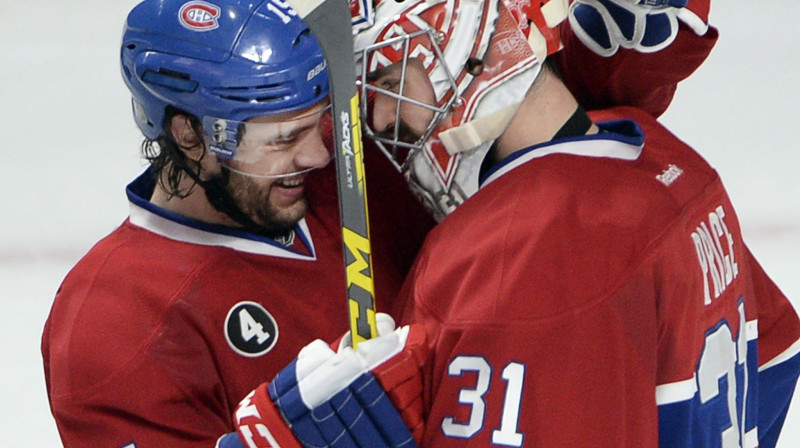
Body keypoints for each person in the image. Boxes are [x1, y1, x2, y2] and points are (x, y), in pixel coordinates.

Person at [220, 0, 800, 447]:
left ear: (472, 44)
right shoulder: (672, 163)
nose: (381, 119)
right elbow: (777, 354)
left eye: (391, 81)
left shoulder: (512, 257)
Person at [40, 0, 433, 446]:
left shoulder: (347, 162)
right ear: (190, 135)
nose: (319, 155)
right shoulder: (112, 319)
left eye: (319, 122)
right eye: (283, 138)